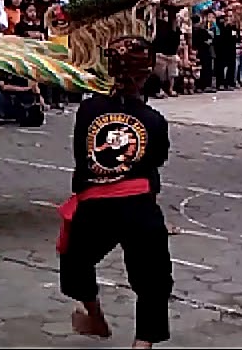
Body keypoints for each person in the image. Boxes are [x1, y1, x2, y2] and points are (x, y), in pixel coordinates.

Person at [58, 36, 173, 349]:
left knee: (75, 261)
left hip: (95, 207)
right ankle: (141, 345)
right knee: (153, 279)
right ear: (146, 74)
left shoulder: (87, 111)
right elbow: (155, 160)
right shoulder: (154, 121)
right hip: (138, 206)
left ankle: (95, 317)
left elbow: (81, 156)